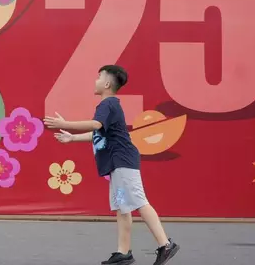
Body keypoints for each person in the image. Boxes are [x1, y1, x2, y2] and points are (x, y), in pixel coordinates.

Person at [44, 65, 180, 265]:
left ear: (107, 84)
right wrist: (72, 138)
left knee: (140, 202)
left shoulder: (107, 104)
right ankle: (123, 253)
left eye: (98, 77)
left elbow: (95, 125)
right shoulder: (109, 106)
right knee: (122, 206)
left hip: (123, 162)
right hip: (117, 165)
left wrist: (65, 124)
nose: (95, 80)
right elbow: (98, 133)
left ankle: (165, 244)